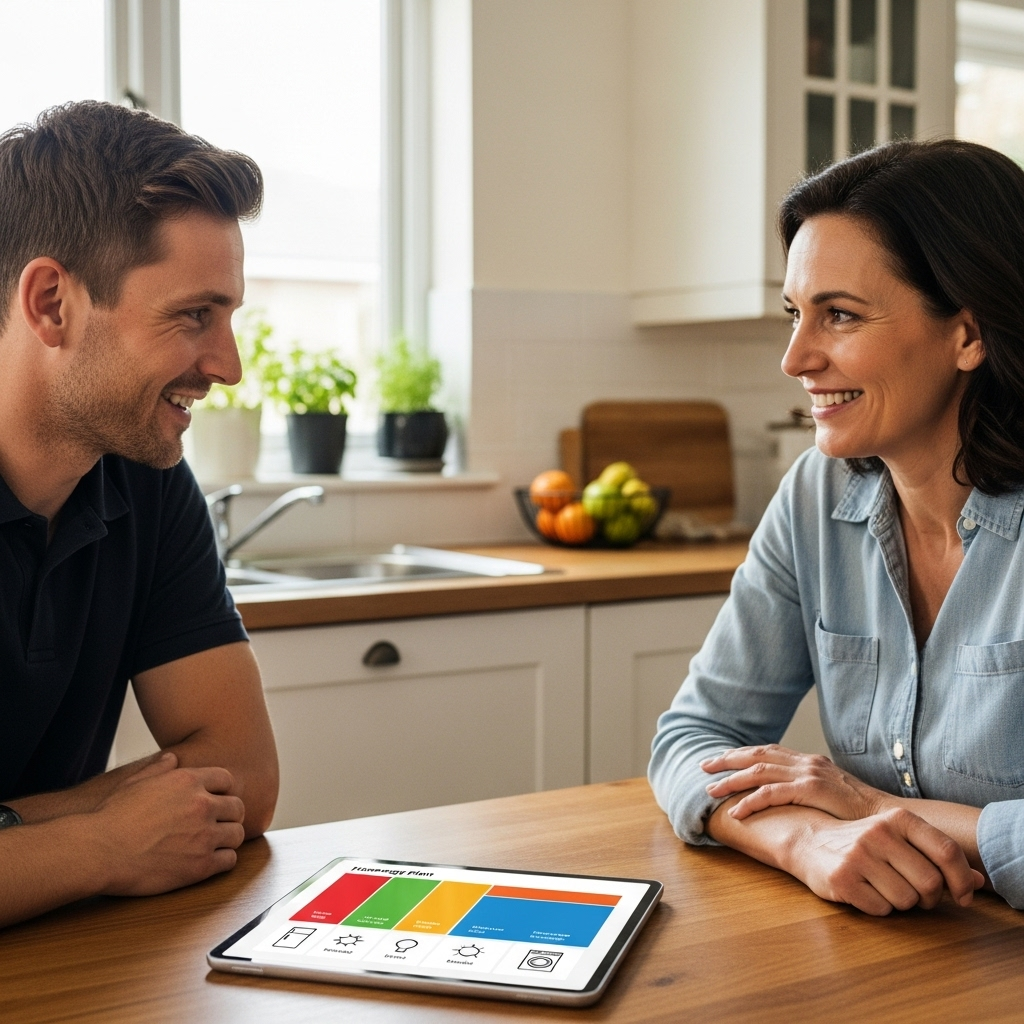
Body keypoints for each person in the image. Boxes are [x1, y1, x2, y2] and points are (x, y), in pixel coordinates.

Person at [649, 138, 1024, 916]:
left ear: (969, 333)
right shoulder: (816, 495)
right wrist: (805, 842)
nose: (795, 357)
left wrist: (864, 804)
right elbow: (696, 736)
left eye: (839, 316)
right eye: (796, 314)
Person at [0, 101, 279, 928]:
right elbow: (143, 830)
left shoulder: (147, 482)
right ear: (52, 303)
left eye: (229, 318)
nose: (226, 366)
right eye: (195, 315)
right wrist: (104, 841)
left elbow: (245, 781)